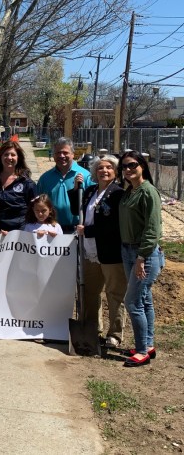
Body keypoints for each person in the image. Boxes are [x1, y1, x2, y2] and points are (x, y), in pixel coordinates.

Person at [71, 154, 126, 348]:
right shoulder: (90, 191)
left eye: (109, 168)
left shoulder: (119, 193)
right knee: (89, 293)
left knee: (114, 294)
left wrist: (89, 231)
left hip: (110, 253)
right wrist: (76, 189)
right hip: (89, 251)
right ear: (94, 172)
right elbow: (75, 210)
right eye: (100, 168)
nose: (104, 170)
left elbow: (115, 225)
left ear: (115, 172)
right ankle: (93, 329)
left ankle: (115, 334)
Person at [118, 151, 164, 367]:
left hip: (143, 254)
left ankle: (142, 351)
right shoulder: (130, 191)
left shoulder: (148, 192)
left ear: (142, 166)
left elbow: (153, 228)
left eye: (132, 165)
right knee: (144, 299)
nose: (128, 169)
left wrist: (141, 257)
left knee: (132, 301)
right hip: (127, 251)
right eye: (124, 166)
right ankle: (148, 344)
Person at [37, 137, 94, 233]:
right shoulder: (45, 178)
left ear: (73, 154)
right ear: (54, 155)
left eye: (65, 152)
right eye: (58, 153)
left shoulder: (85, 176)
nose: (61, 156)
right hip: (51, 231)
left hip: (77, 231)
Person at [0, 140, 37, 233]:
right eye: (5, 154)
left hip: (20, 232)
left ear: (18, 158)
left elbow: (36, 209)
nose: (9, 157)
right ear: (0, 157)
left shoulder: (27, 183)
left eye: (13, 155)